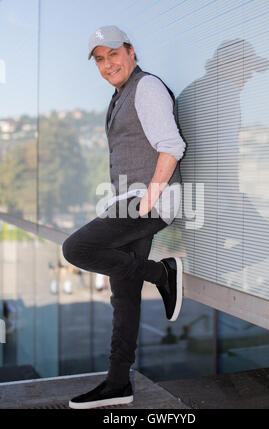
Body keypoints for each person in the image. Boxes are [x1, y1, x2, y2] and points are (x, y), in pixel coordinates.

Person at [62, 25, 186, 409]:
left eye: (113, 54)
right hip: (129, 201)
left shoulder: (146, 87)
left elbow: (171, 145)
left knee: (77, 248)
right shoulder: (118, 96)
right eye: (100, 59)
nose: (107, 64)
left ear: (131, 52)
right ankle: (118, 383)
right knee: (124, 297)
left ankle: (162, 273)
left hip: (146, 201)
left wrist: (150, 198)